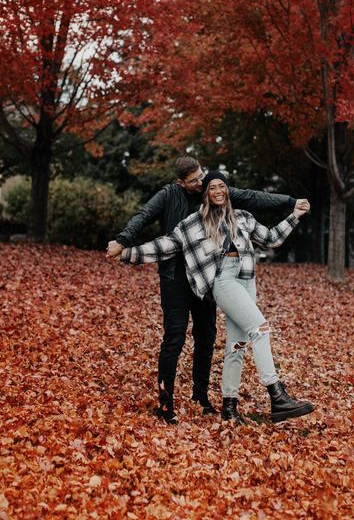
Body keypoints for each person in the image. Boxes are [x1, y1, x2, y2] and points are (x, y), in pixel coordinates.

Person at [107, 156, 305, 424]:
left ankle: (227, 406)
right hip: (212, 281)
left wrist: (293, 212)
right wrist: (125, 249)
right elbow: (163, 243)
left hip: (246, 282)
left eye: (217, 185)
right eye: (206, 186)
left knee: (233, 344)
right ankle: (276, 395)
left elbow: (270, 237)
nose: (210, 188)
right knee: (256, 330)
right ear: (193, 188)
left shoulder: (243, 217)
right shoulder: (194, 221)